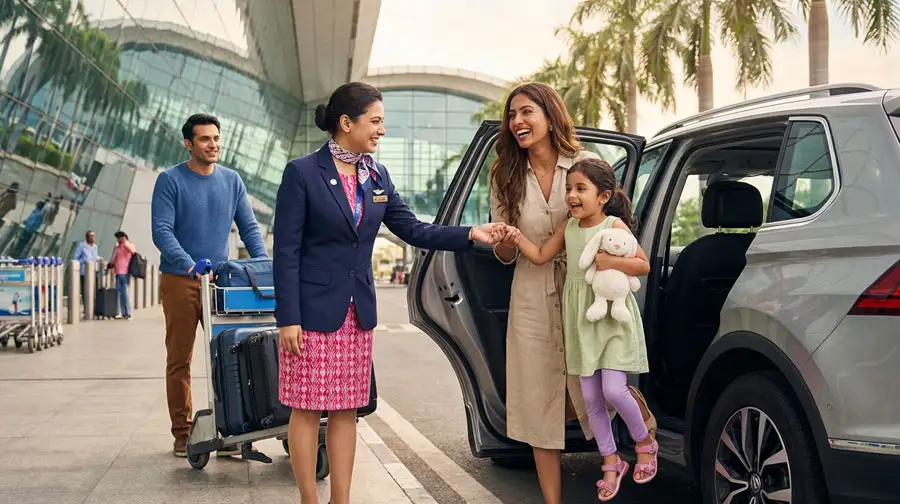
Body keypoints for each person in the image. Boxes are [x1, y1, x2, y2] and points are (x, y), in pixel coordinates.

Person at [273, 82, 501, 504]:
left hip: (356, 312)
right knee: (305, 408)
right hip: (310, 312)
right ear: (347, 123)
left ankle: (340, 498)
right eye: (375, 121)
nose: (381, 130)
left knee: (346, 410)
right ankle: (308, 498)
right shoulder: (302, 173)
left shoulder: (376, 175)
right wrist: (288, 317)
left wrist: (471, 233)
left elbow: (413, 229)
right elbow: (285, 252)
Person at [487, 82, 655, 504]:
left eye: (526, 112)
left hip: (589, 287)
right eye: (512, 116)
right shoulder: (503, 173)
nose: (518, 122)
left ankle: (636, 431)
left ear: (549, 114)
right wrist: (504, 238)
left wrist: (614, 264)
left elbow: (615, 228)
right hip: (530, 291)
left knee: (598, 386)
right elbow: (509, 254)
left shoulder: (586, 164)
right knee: (539, 397)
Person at [151, 113, 268, 458]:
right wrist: (189, 264)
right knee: (180, 358)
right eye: (205, 139)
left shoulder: (232, 181)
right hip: (181, 280)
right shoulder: (170, 181)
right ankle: (183, 433)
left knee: (230, 354)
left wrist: (261, 267)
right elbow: (162, 231)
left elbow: (249, 229)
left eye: (216, 138)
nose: (213, 145)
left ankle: (230, 428)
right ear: (189, 144)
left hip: (222, 283)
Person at [72, 230, 101, 317]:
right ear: (87, 237)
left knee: (94, 290)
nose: (93, 238)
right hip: (84, 272)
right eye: (91, 236)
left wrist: (98, 258)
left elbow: (94, 257)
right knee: (86, 291)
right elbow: (75, 258)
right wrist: (84, 261)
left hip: (94, 272)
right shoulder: (82, 246)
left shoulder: (95, 247)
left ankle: (94, 308)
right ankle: (86, 308)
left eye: (94, 236)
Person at [108, 231, 136, 320]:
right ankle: (120, 312)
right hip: (118, 271)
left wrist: (125, 243)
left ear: (124, 237)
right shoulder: (117, 247)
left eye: (120, 237)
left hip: (126, 272)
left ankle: (128, 313)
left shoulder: (128, 245)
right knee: (119, 293)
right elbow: (114, 258)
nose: (119, 239)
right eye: (118, 238)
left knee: (125, 293)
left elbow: (133, 251)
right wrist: (111, 264)